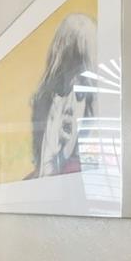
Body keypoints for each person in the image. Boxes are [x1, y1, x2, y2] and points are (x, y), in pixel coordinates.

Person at [28, 14, 98, 179]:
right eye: (62, 88)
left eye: (81, 92)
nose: (69, 104)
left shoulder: (87, 176)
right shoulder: (31, 182)